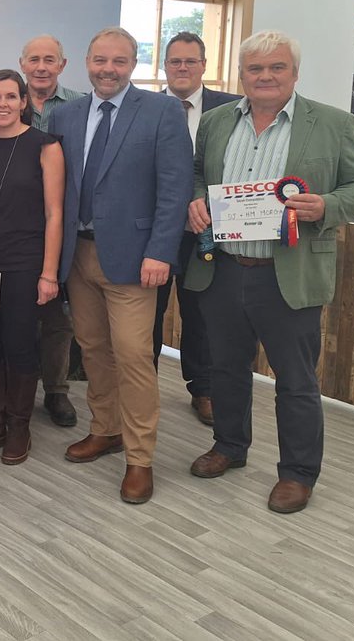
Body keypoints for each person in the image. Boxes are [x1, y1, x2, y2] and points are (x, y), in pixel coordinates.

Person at [187, 30, 354, 515]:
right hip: (224, 269)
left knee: (295, 379)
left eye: (276, 68)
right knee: (225, 368)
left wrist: (327, 205)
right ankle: (229, 446)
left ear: (294, 72)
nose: (265, 77)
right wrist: (194, 202)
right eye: (255, 69)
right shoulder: (215, 122)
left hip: (287, 274)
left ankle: (297, 473)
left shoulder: (332, 123)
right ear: (242, 74)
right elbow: (196, 175)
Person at [48, 27, 191, 505]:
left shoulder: (162, 111)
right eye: (100, 60)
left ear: (134, 64)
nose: (108, 69)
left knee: (133, 356)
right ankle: (105, 429)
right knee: (92, 350)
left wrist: (161, 251)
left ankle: (140, 457)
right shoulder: (65, 114)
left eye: (120, 61)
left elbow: (175, 189)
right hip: (79, 255)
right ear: (86, 62)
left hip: (135, 259)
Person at [0, 70, 64, 465]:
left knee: (19, 344)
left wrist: (49, 273)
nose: (2, 104)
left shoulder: (45, 145)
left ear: (24, 102)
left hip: (25, 262)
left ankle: (19, 425)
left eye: (10, 96)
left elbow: (55, 214)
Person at [151, 31, 240, 426]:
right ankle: (142, 388)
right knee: (146, 316)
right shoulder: (147, 108)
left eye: (190, 61)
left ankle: (202, 389)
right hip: (154, 233)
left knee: (201, 315)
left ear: (204, 65)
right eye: (175, 61)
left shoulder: (233, 109)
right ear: (164, 67)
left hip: (207, 232)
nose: (182, 68)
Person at [19, 35, 84, 428]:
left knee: (60, 317)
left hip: (65, 222)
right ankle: (18, 388)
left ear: (63, 64)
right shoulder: (8, 101)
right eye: (34, 60)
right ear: (22, 63)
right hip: (17, 228)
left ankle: (57, 391)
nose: (41, 67)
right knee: (17, 315)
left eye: (49, 60)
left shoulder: (80, 106)